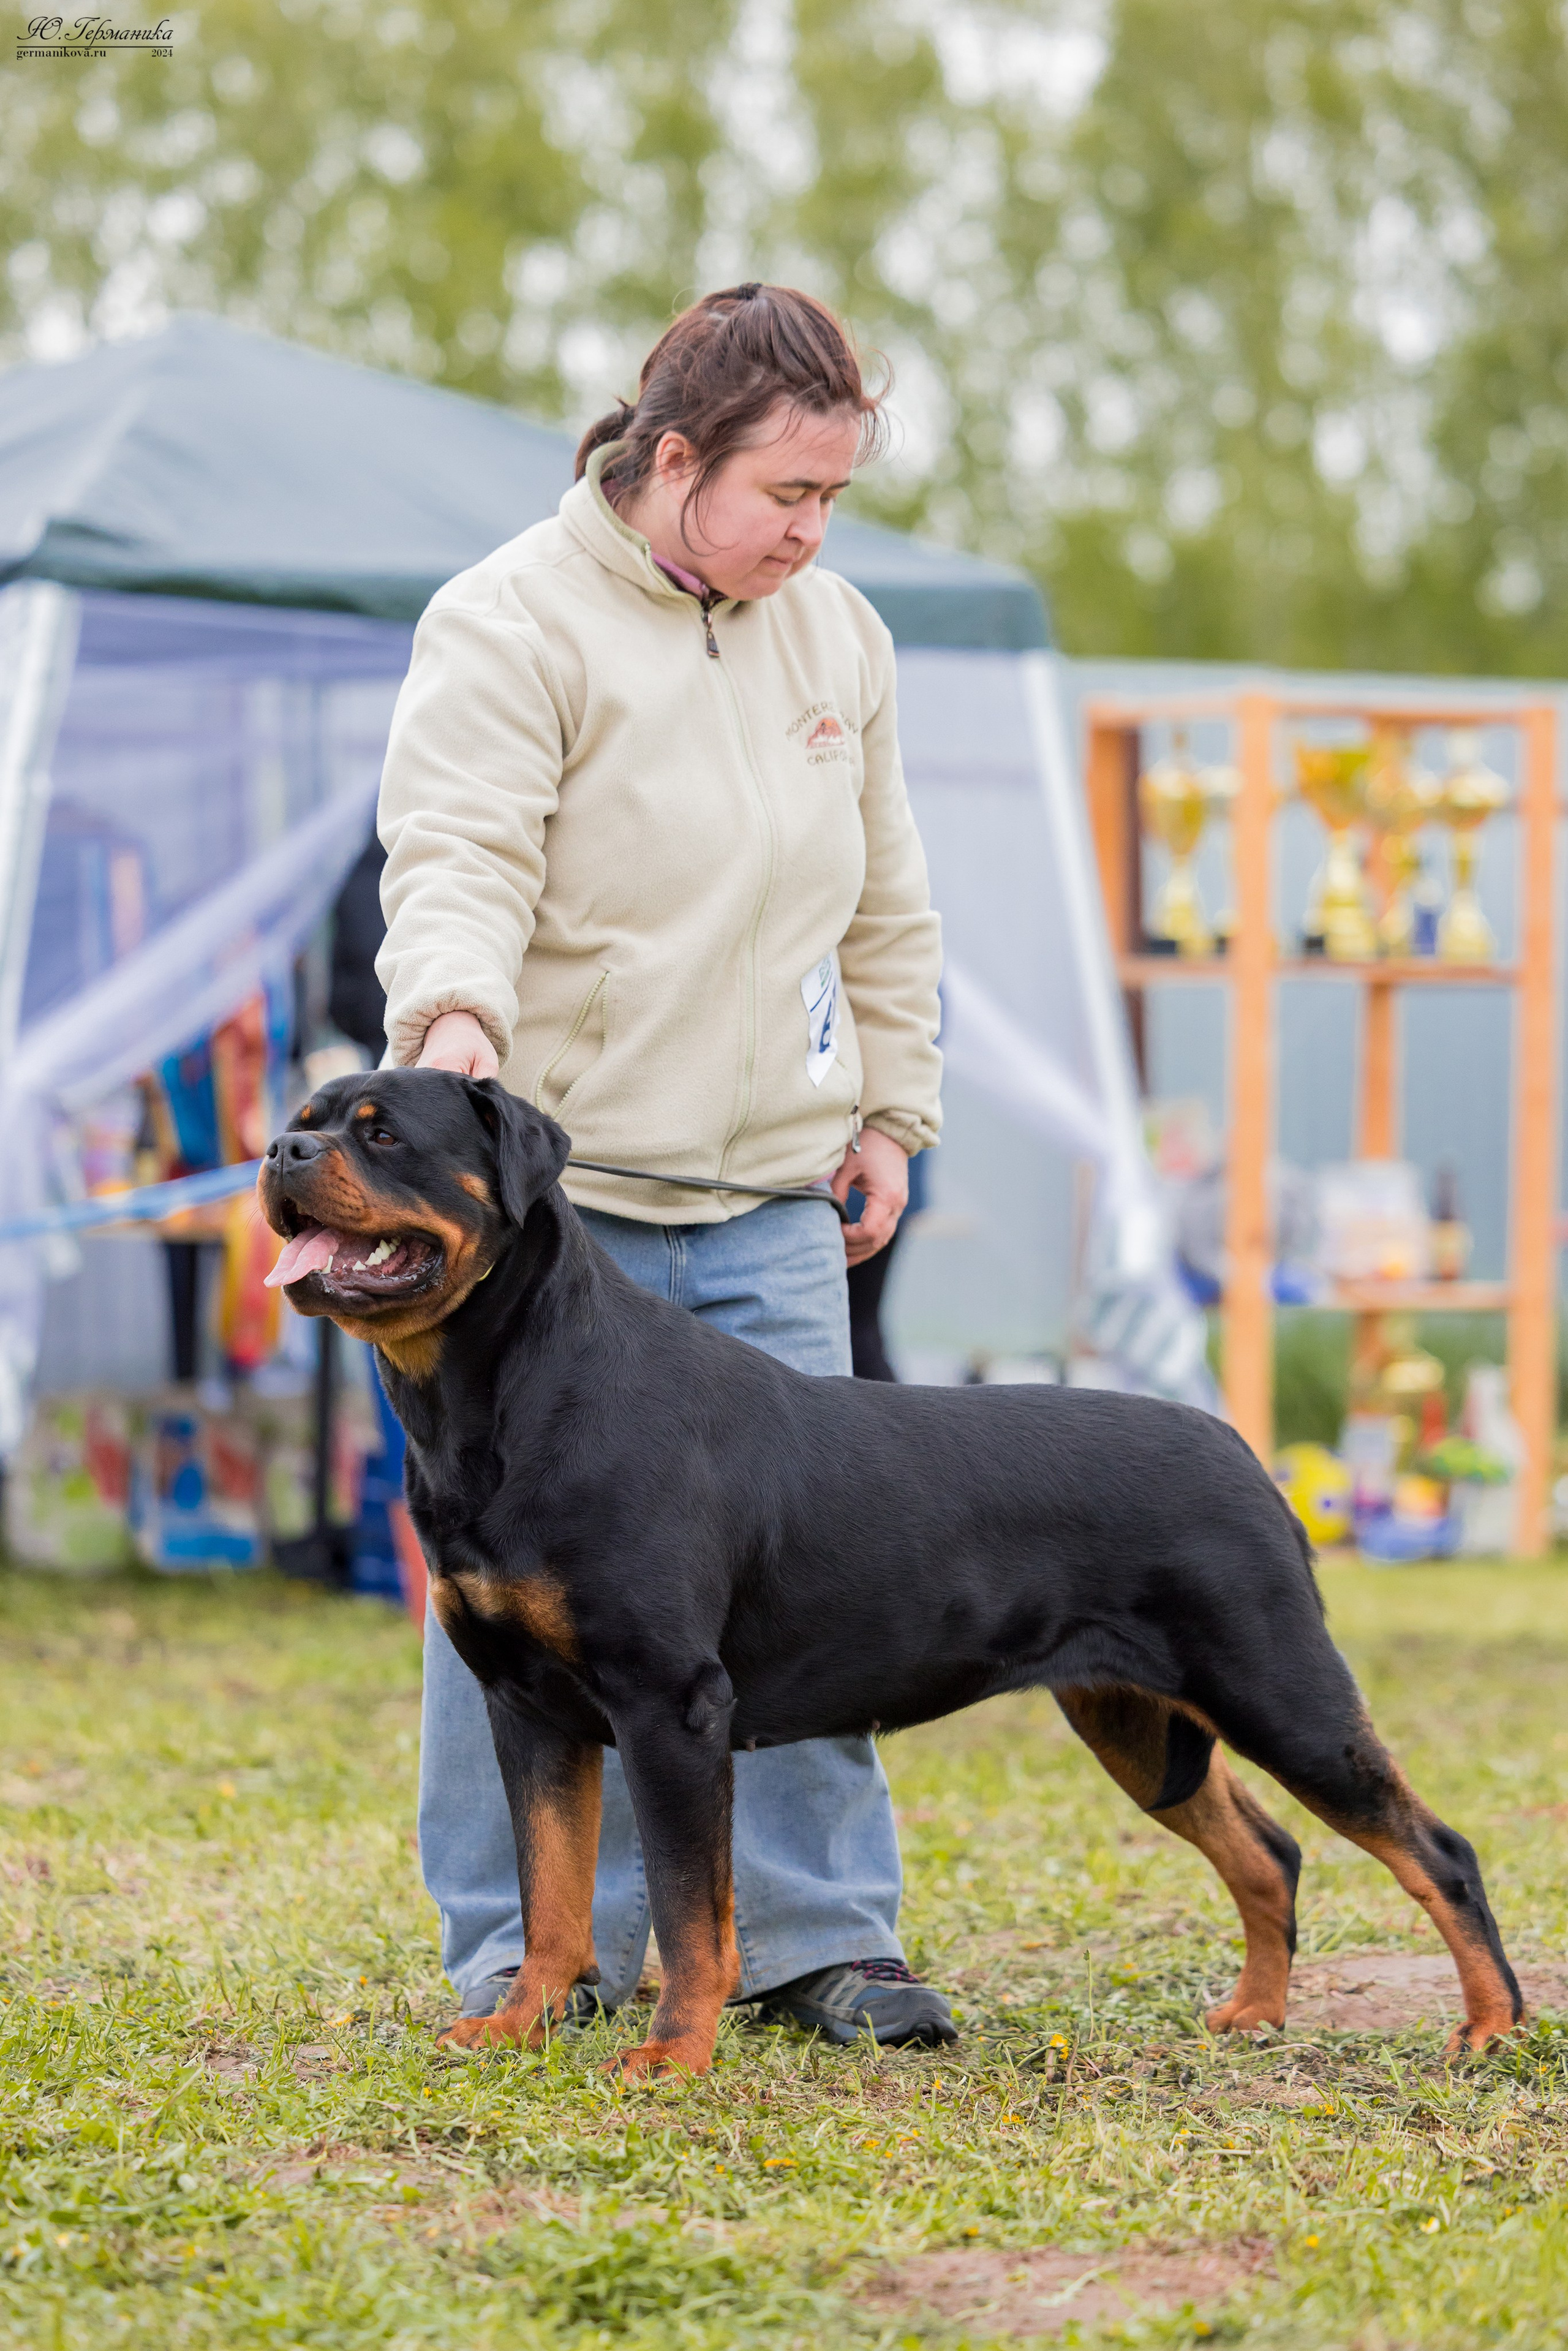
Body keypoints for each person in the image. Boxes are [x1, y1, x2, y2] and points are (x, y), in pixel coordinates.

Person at [375, 282, 952, 2049]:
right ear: (674, 461)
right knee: (515, 1585)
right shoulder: (508, 621)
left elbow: (888, 892)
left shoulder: (837, 634)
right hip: (567, 1221)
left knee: (810, 1569)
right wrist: (454, 1020)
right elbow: (457, 850)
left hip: (771, 1194)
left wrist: (891, 1106)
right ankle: (528, 1955)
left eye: (837, 498)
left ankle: (822, 1941)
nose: (813, 531)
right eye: (789, 493)